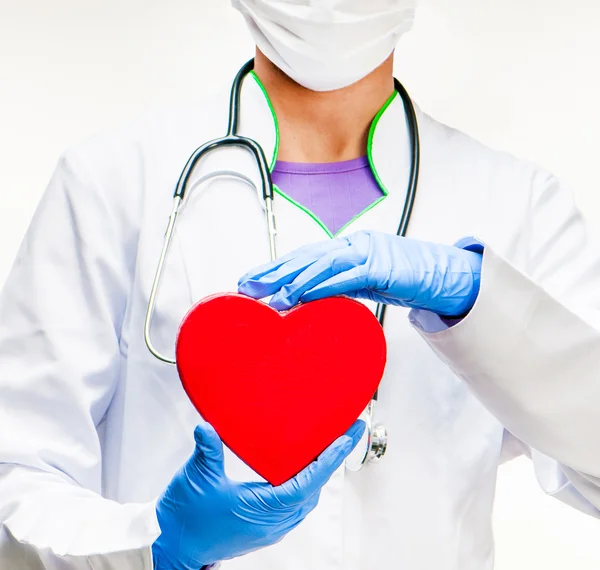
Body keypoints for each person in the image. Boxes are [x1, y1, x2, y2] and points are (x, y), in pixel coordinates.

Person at [0, 0, 599, 568]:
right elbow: (15, 476)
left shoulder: (519, 205)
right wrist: (155, 550)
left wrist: (489, 309)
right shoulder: (112, 182)